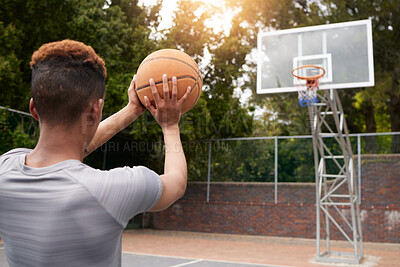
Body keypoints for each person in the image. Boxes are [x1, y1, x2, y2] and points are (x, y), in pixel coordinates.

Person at [0, 39, 191, 266]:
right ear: (96, 109)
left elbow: (66, 150)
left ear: (34, 108)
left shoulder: (5, 168)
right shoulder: (111, 189)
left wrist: (132, 110)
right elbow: (176, 182)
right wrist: (170, 126)